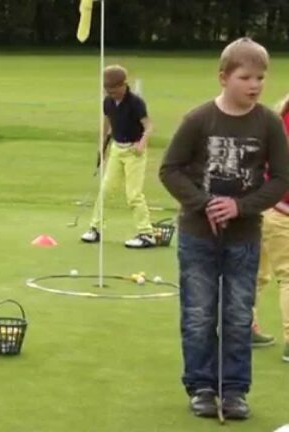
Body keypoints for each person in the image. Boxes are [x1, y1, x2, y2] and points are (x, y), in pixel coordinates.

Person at [159, 37, 289, 420]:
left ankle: (234, 390)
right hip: (198, 236)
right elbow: (170, 170)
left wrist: (240, 206)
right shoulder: (199, 119)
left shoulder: (267, 122)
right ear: (223, 77)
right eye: (245, 77)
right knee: (199, 313)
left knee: (236, 314)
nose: (255, 85)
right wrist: (204, 203)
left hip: (245, 237)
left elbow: (281, 179)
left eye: (261, 78)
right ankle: (200, 385)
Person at [81, 64, 156, 248]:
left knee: (133, 194)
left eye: (114, 90)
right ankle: (95, 228)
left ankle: (147, 234)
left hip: (134, 152)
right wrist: (102, 148)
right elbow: (107, 126)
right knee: (106, 190)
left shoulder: (136, 102)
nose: (111, 93)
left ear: (124, 85)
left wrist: (141, 143)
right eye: (107, 90)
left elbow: (149, 126)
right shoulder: (107, 102)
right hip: (117, 149)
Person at [251, 93, 289, 358]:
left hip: (265, 205)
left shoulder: (280, 118)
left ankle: (240, 328)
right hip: (281, 210)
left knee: (256, 273)